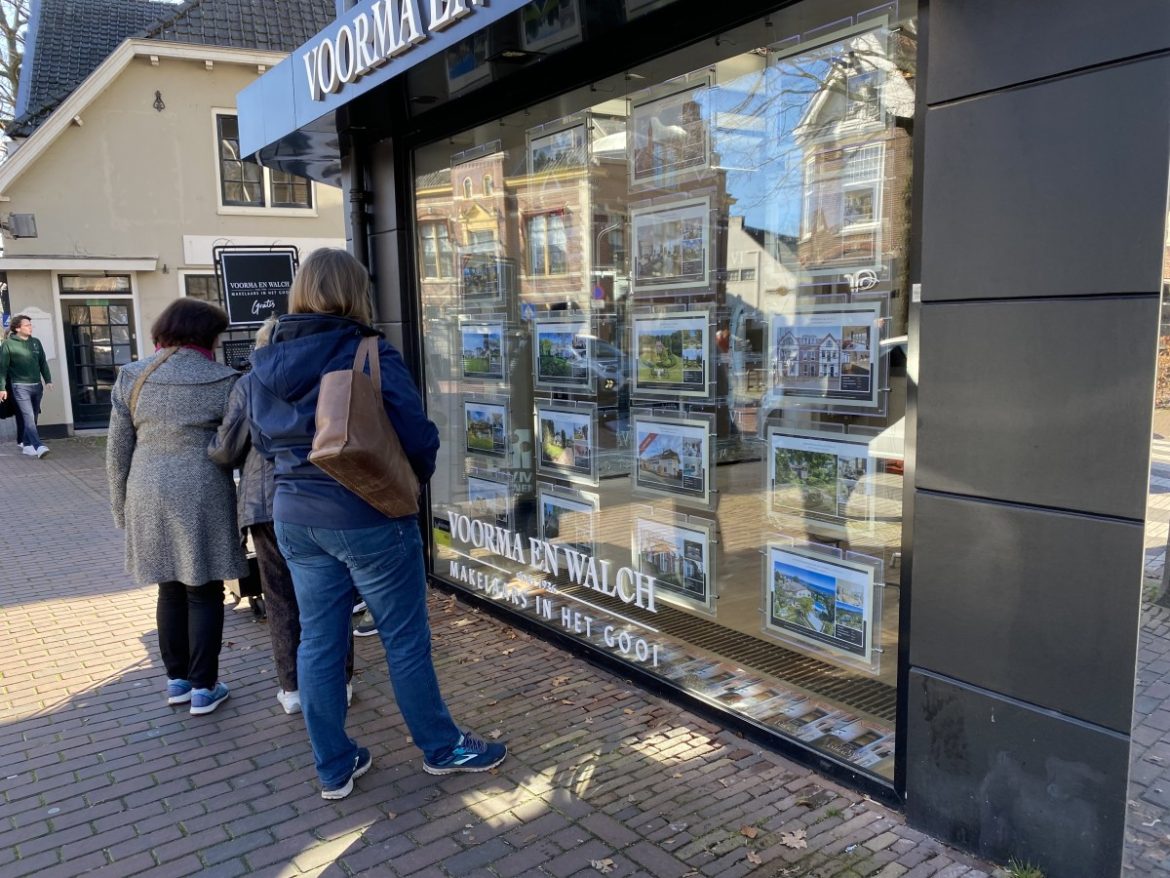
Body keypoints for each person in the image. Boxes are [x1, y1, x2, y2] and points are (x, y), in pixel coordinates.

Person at [247, 248, 506, 800]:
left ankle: (333, 767)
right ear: (355, 291)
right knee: (405, 639)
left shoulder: (262, 360)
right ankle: (442, 748)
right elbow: (416, 434)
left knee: (318, 638)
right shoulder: (368, 350)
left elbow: (264, 445)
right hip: (368, 515)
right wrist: (411, 479)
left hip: (294, 515)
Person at [208, 316, 357, 715]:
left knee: (279, 596)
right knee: (330, 593)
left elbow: (226, 449)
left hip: (267, 500)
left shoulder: (250, 382)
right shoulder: (329, 370)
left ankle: (292, 687)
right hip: (326, 494)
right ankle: (338, 681)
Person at [106, 298, 247, 716]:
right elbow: (235, 449)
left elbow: (117, 451)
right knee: (204, 591)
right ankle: (204, 687)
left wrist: (121, 507)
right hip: (204, 491)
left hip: (146, 490)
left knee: (169, 586)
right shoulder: (225, 380)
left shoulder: (132, 376)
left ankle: (177, 681)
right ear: (207, 336)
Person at [0, 314, 53, 458]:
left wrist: (48, 380)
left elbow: (42, 362)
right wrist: (2, 388)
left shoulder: (36, 342)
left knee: (33, 417)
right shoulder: (8, 344)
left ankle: (27, 444)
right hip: (20, 387)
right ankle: (38, 446)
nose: (31, 327)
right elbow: (2, 368)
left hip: (37, 386)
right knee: (28, 416)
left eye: (31, 325)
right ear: (18, 328)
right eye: (27, 325)